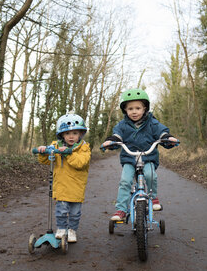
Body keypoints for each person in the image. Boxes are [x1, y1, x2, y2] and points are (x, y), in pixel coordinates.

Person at [102, 88, 178, 221]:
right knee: (125, 181)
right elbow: (117, 135)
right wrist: (112, 141)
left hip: (148, 157)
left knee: (150, 175)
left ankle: (153, 197)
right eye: (130, 108)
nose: (134, 111)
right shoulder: (123, 125)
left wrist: (167, 138)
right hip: (129, 159)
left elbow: (161, 132)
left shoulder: (152, 123)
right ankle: (121, 209)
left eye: (138, 108)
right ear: (125, 110)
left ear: (144, 109)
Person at [37, 113, 91, 243]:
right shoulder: (56, 145)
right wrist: (43, 151)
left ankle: (72, 230)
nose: (71, 136)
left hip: (76, 188)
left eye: (75, 133)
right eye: (67, 134)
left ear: (80, 134)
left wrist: (67, 153)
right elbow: (46, 160)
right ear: (62, 135)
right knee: (61, 211)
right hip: (61, 186)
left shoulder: (84, 149)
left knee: (74, 213)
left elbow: (80, 163)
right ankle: (61, 228)